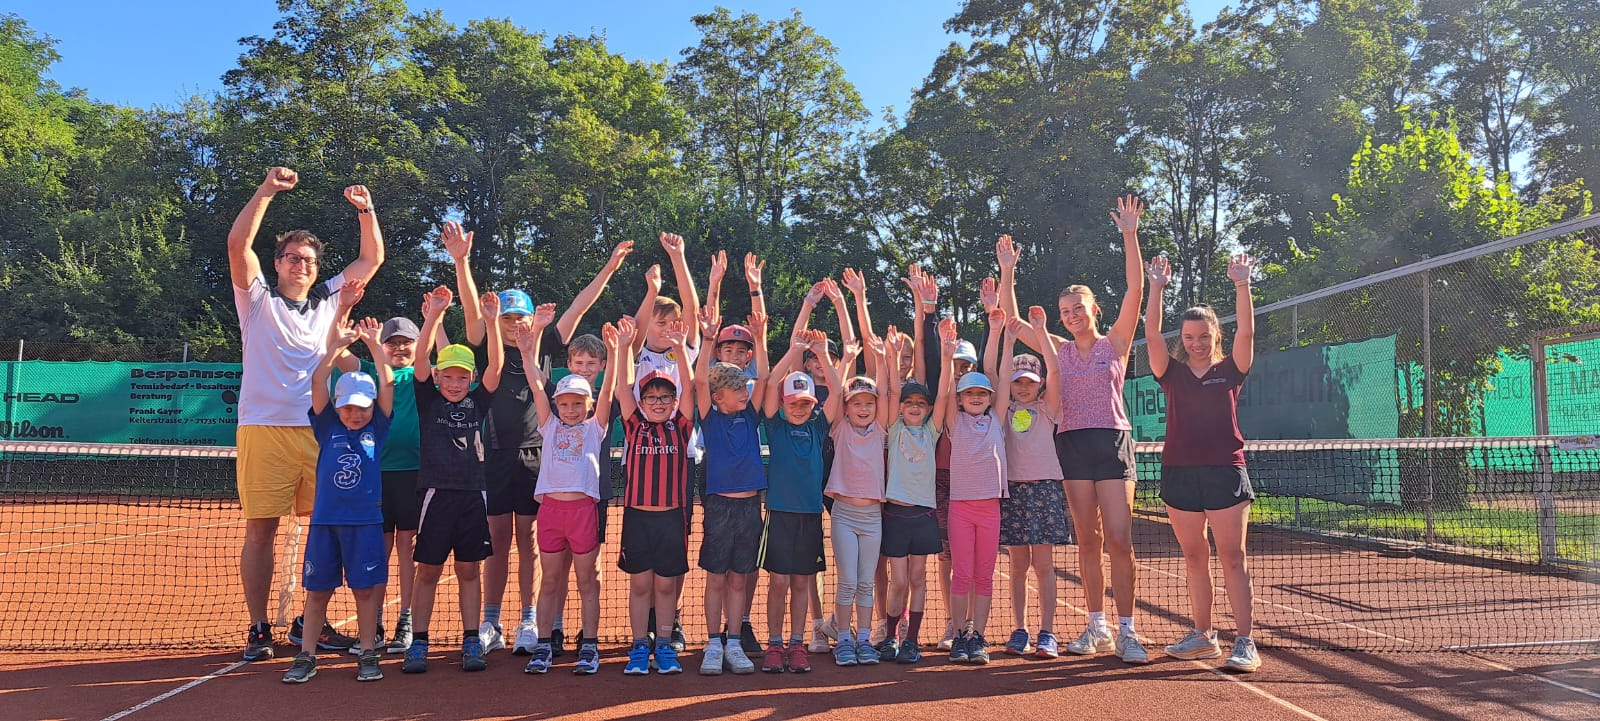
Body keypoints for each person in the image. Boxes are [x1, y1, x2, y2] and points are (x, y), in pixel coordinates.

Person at [451, 224, 633, 656]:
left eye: (520, 318)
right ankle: (491, 620)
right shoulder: (486, 344)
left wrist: (609, 266)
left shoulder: (550, 342)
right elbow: (470, 306)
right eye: (508, 317)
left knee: (533, 543)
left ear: (532, 320)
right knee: (496, 541)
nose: (515, 325)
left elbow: (581, 302)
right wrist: (462, 261)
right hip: (494, 454)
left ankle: (531, 619)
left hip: (540, 458)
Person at [228, 166, 383, 662]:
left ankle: (306, 623)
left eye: (310, 260)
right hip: (263, 429)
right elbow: (238, 244)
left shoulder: (327, 300)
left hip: (322, 433)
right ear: (277, 263)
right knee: (261, 531)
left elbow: (371, 257)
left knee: (329, 527)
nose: (303, 264)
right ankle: (258, 629)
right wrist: (265, 190)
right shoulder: (256, 300)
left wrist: (365, 208)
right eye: (293, 257)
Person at [1146, 253, 1262, 673]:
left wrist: (1242, 285)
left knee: (1233, 556)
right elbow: (1151, 333)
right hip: (1179, 473)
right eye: (1189, 336)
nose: (1196, 342)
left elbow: (1247, 330)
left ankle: (1245, 641)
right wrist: (1155, 288)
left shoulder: (1232, 369)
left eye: (1203, 335)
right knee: (1194, 556)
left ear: (1215, 335)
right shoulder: (1170, 372)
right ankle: (1203, 635)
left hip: (1225, 471)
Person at [1047, 195, 1149, 664]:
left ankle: (1128, 630)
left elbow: (1136, 291)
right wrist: (1007, 274)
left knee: (1120, 539)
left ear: (1094, 309)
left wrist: (1129, 234)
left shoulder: (1117, 343)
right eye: (1065, 310)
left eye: (1078, 307)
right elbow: (1009, 320)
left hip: (1111, 441)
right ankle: (1097, 626)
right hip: (1071, 444)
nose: (1071, 314)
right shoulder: (1058, 351)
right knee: (1086, 540)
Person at [282, 316, 393, 684]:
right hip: (325, 524)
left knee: (365, 593)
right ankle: (307, 655)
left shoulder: (378, 426)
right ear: (337, 405)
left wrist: (376, 346)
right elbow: (317, 381)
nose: (355, 413)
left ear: (372, 406)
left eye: (362, 407)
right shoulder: (327, 425)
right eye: (348, 406)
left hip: (365, 525)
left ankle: (367, 654)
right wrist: (335, 347)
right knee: (317, 593)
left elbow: (388, 382)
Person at [329, 313, 446, 655]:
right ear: (382, 345)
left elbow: (436, 353)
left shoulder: (423, 376)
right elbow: (337, 352)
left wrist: (434, 319)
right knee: (377, 550)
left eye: (406, 343)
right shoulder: (366, 371)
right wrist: (342, 315)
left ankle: (405, 620)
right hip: (374, 475)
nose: (400, 348)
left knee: (408, 548)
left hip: (415, 475)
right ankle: (374, 622)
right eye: (392, 343)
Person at [401, 286, 504, 674]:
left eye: (462, 377)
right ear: (439, 376)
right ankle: (419, 643)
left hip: (472, 497)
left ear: (471, 379)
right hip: (435, 495)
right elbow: (421, 358)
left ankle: (472, 639)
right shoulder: (429, 399)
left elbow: (495, 366)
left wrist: (492, 323)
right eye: (449, 376)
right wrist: (433, 316)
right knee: (427, 570)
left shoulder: (479, 401)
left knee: (468, 570)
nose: (455, 383)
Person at [514, 304, 620, 676]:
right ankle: (544, 644)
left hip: (582, 513)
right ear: (556, 404)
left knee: (588, 579)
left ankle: (589, 645)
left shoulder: (595, 427)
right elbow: (534, 383)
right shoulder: (549, 424)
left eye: (578, 403)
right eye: (565, 403)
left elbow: (608, 388)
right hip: (551, 514)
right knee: (551, 580)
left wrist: (619, 350)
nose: (571, 409)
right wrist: (527, 352)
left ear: (588, 405)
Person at [989, 234, 1071, 659]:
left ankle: (1047, 633)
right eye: (1018, 382)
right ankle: (1019, 629)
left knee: (1044, 565)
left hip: (1045, 489)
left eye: (1029, 383)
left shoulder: (1048, 407)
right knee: (1018, 566)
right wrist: (1003, 332)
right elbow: (997, 374)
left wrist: (1040, 333)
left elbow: (1056, 373)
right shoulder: (1001, 408)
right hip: (1013, 491)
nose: (1022, 388)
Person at [629, 233, 703, 653]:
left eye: (672, 323)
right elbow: (638, 326)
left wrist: (679, 257)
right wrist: (652, 292)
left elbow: (691, 309)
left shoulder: (683, 353)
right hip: (643, 453)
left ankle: (670, 620)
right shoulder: (637, 354)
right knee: (644, 558)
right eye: (661, 321)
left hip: (681, 455)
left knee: (676, 548)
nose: (669, 328)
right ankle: (646, 630)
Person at [614, 315, 697, 676]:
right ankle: (638, 646)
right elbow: (622, 389)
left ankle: (664, 644)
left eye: (666, 397)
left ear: (674, 400)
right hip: (637, 517)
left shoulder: (681, 427)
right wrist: (621, 349)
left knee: (666, 587)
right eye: (652, 397)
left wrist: (680, 348)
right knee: (641, 585)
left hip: (671, 518)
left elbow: (691, 390)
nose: (659, 402)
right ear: (642, 400)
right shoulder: (634, 426)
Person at [691, 301, 770, 676]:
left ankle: (734, 642)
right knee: (716, 577)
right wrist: (708, 338)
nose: (745, 393)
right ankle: (711, 643)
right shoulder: (708, 419)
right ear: (719, 397)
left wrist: (762, 338)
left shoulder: (750, 416)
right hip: (719, 507)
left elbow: (766, 377)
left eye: (744, 388)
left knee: (740, 577)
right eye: (737, 390)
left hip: (750, 508)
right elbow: (701, 380)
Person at [759, 329, 841, 673]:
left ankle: (797, 642)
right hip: (779, 516)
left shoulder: (819, 427)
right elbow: (769, 384)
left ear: (812, 405)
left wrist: (822, 353)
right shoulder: (775, 426)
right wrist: (794, 350)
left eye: (804, 403)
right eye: (792, 402)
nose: (798, 408)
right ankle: (775, 644)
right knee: (778, 582)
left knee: (802, 582)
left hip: (809, 517)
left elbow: (837, 390)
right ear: (784, 403)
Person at [939, 313, 1012, 666]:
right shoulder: (955, 421)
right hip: (960, 508)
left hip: (990, 508)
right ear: (961, 397)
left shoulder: (996, 418)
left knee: (984, 574)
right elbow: (944, 391)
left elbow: (1002, 378)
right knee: (962, 572)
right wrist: (945, 351)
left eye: (983, 393)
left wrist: (1000, 335)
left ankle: (977, 635)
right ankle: (957, 632)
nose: (977, 397)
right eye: (970, 393)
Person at [823, 332, 894, 667]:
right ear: (847, 407)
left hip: (873, 518)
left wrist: (882, 357)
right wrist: (846, 360)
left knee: (866, 581)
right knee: (848, 580)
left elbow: (890, 391)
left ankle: (864, 638)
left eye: (869, 403)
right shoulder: (840, 428)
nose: (863, 408)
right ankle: (844, 638)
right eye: (856, 403)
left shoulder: (881, 430)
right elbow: (836, 392)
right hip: (844, 515)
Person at [876, 329, 945, 664]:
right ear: (900, 408)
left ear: (927, 409)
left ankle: (912, 641)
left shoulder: (931, 431)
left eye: (921, 403)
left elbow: (944, 396)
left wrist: (945, 356)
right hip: (896, 516)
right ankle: (890, 637)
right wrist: (890, 357)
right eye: (909, 403)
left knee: (918, 579)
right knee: (898, 580)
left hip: (923, 516)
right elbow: (888, 391)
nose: (914, 407)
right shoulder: (894, 429)